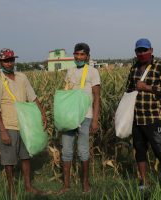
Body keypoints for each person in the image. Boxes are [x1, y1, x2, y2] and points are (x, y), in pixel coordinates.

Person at [0, 48, 48, 196]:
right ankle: (11, 189)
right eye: (6, 60)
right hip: (9, 125)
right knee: (9, 160)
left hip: (25, 125)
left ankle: (28, 186)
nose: (9, 63)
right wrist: (2, 130)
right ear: (0, 62)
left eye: (11, 60)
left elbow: (33, 97)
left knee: (25, 156)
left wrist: (42, 114)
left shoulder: (22, 77)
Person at [126, 38, 161, 191]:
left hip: (153, 118)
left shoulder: (160, 66)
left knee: (160, 151)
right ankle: (144, 182)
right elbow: (128, 90)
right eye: (138, 51)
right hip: (136, 118)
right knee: (139, 151)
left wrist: (146, 87)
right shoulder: (133, 69)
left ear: (151, 50)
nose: (141, 53)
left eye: (144, 50)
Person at [57, 43, 101, 194]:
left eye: (82, 54)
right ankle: (66, 185)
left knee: (83, 151)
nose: (79, 57)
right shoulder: (70, 71)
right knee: (67, 151)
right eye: (76, 54)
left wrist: (95, 119)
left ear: (88, 56)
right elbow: (67, 93)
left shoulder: (93, 72)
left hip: (85, 116)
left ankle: (85, 184)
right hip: (70, 117)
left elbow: (97, 97)